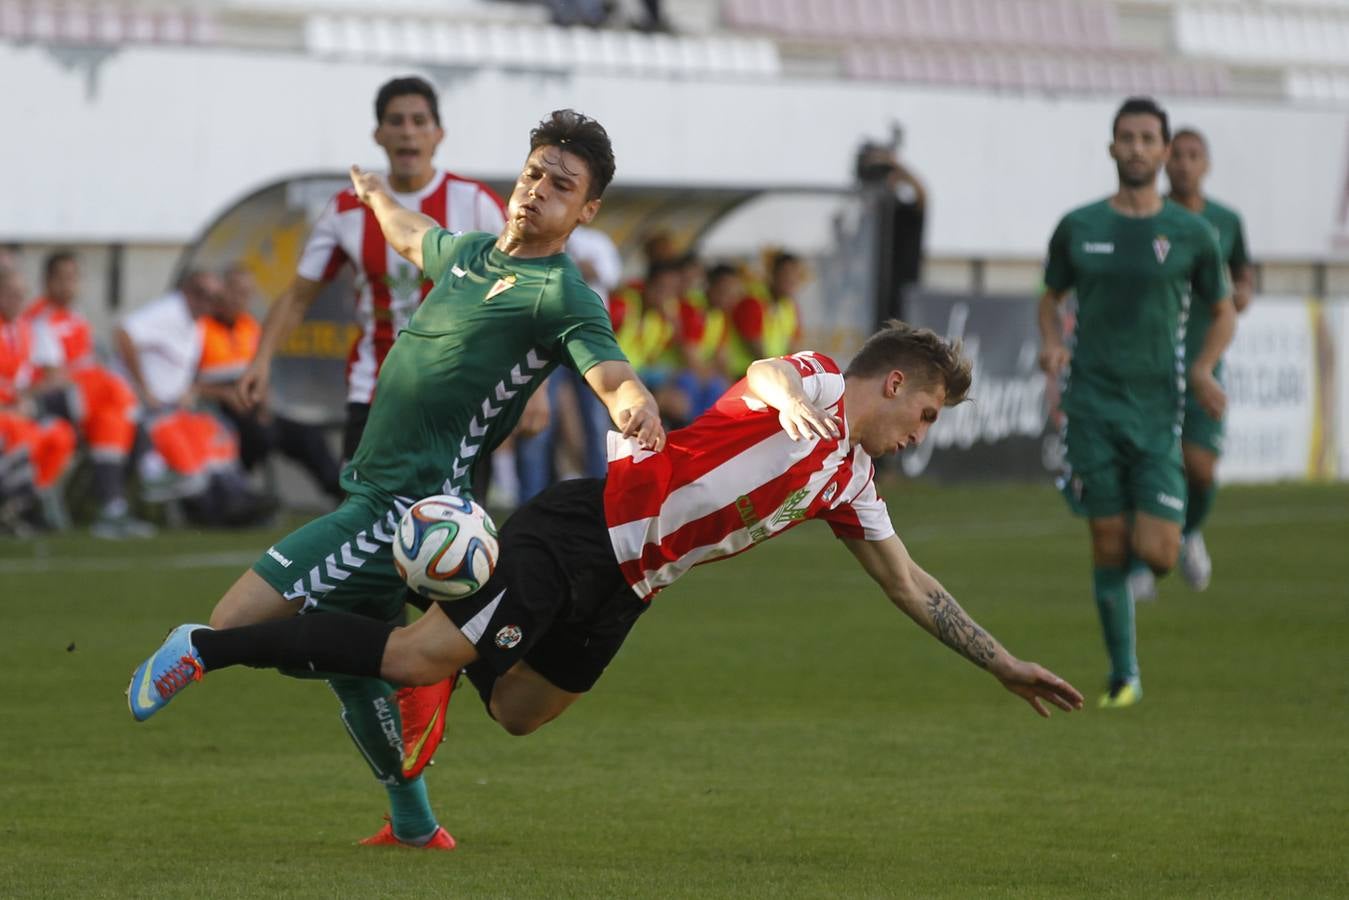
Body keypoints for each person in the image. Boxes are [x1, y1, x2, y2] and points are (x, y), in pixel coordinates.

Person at [127, 323, 1084, 846]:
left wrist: (1003, 665)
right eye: (920, 414)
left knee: (519, 710)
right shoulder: (824, 385)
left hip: (632, 584)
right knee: (419, 654)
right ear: (894, 381)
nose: (917, 435)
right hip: (584, 531)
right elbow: (764, 370)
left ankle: (453, 646)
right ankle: (204, 648)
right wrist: (792, 398)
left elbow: (912, 586)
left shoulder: (852, 483)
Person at [129, 109, 663, 851]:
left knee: (229, 626)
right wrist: (377, 196)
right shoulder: (472, 254)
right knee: (357, 668)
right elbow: (414, 235)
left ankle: (203, 648)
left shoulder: (559, 294)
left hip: (408, 508)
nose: (538, 189)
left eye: (560, 185)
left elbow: (610, 371)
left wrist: (634, 410)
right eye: (534, 173)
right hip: (374, 492)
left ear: (585, 209)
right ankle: (412, 818)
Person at [1038, 97, 1234, 709]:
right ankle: (1124, 675)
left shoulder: (1192, 233)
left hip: (1159, 410)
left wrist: (1202, 367)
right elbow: (1051, 298)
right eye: (1127, 137)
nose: (1138, 148)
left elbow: (1223, 311)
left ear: (1165, 150)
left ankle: (1172, 551)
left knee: (1156, 552)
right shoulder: (1080, 226)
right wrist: (1052, 346)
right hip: (1092, 404)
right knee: (1107, 543)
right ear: (1112, 147)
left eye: (1150, 138)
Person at [234, 76, 507, 464]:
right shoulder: (347, 209)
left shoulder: (476, 203)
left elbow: (520, 292)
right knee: (364, 519)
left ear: (438, 133)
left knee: (456, 520)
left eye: (418, 121)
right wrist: (260, 361)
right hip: (374, 390)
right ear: (378, 134)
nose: (407, 132)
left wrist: (532, 389)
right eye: (396, 121)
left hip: (459, 392)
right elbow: (297, 297)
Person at [1128, 128, 1254, 601]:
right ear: (1165, 161)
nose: (1183, 163)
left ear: (1206, 164)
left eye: (1193, 155)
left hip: (1204, 360)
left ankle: (1189, 531)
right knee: (1154, 463)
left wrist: (1243, 291)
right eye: (1176, 155)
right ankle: (1141, 564)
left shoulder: (1226, 221)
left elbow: (1243, 270)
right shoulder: (1148, 216)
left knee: (1200, 468)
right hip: (1152, 362)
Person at [23, 252, 154, 538]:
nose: (69, 285)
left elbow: (85, 363)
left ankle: (112, 510)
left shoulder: (76, 316)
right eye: (62, 278)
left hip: (86, 403)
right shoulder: (39, 318)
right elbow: (53, 376)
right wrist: (87, 374)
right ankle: (151, 465)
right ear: (47, 281)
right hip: (51, 403)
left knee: (111, 418)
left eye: (74, 278)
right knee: (111, 388)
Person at [196, 263, 342, 501]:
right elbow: (189, 384)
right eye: (235, 291)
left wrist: (265, 403)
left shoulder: (249, 327)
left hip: (254, 403)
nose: (239, 299)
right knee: (259, 434)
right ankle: (234, 495)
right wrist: (223, 394)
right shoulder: (200, 328)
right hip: (218, 408)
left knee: (306, 433)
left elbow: (262, 373)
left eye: (246, 293)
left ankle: (339, 492)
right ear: (222, 292)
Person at [0, 263, 77, 527]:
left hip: (16, 410)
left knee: (59, 434)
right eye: (9, 293)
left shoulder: (26, 329)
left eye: (21, 294)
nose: (16, 300)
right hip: (5, 416)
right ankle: (15, 503)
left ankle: (30, 499)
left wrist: (26, 398)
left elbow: (52, 375)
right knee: (19, 433)